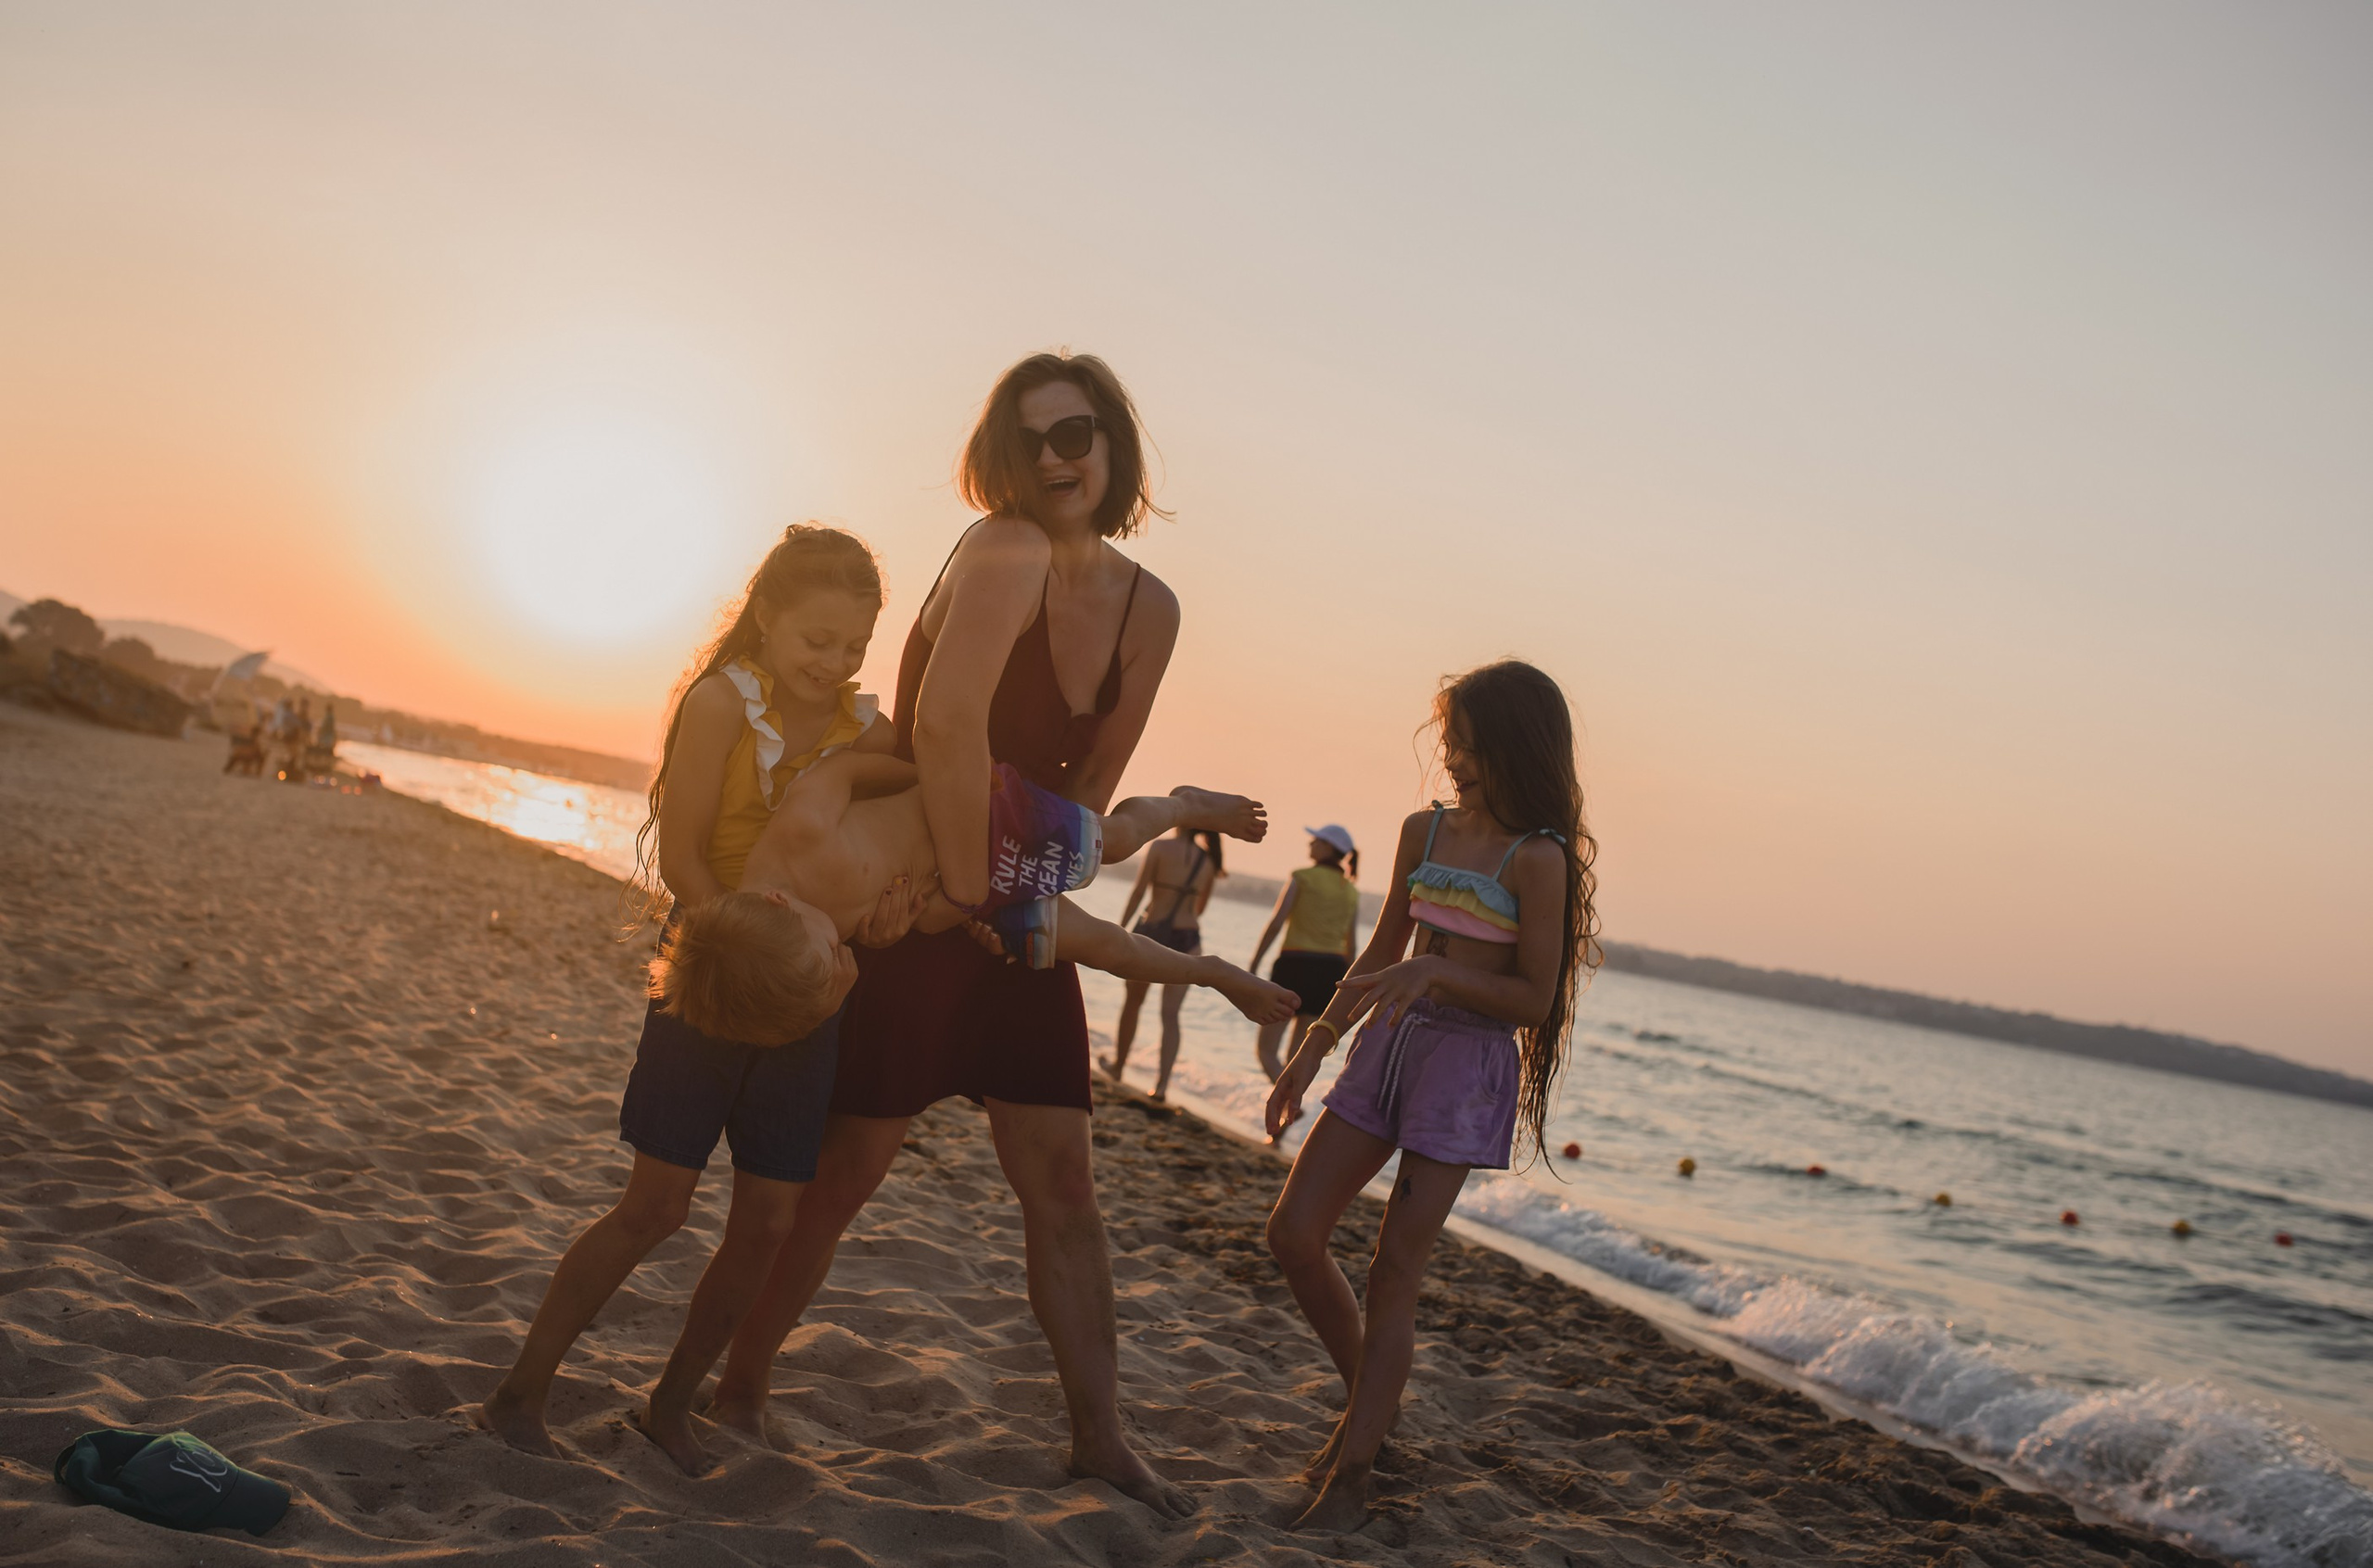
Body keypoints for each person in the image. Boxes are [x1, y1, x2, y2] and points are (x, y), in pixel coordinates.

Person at [711, 352, 1194, 1515]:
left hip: (1000, 889)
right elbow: (946, 722)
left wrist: (1019, 892)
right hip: (923, 893)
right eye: (1027, 441)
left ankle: (1101, 1437)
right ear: (1001, 459)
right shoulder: (1002, 550)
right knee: (847, 1174)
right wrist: (970, 892)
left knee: (1064, 1183)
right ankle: (738, 1385)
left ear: (1114, 444)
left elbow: (1094, 787)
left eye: (1074, 433)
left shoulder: (1151, 608)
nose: (1053, 459)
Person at [478, 525, 903, 1474]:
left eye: (853, 648)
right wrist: (755, 959)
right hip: (713, 976)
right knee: (656, 1206)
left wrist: (849, 944)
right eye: (816, 640)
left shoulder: (865, 732)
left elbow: (904, 834)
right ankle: (519, 1392)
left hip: (806, 1006)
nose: (832, 663)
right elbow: (682, 860)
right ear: (766, 617)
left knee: (767, 1220)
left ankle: (672, 1406)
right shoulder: (720, 703)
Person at [1262, 661, 1602, 1533]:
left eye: (1467, 741)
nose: (1450, 755)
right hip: (1384, 1051)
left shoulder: (1540, 861)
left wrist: (1436, 975)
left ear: (1515, 745)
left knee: (1394, 1269)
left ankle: (1356, 1471)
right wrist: (1309, 1052)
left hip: (1466, 1072)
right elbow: (1377, 954)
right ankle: (1369, 1402)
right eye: (1448, 738)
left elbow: (1532, 999)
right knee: (1294, 1234)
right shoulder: (1424, 831)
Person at [651, 756, 1294, 1048]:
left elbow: (838, 773)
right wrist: (881, 937)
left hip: (989, 822)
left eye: (831, 949)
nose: (841, 953)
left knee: (1117, 842)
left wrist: (938, 780)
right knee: (1101, 948)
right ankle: (1213, 973)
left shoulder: (804, 838)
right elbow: (903, 917)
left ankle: (1183, 802)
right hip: (965, 896)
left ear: (774, 901)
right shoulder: (789, 934)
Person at [1100, 827, 1221, 1101]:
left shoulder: (1160, 848)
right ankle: (1163, 1086)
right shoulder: (1209, 860)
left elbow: (1139, 891)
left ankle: (1119, 1067)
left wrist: (1119, 929)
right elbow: (1200, 909)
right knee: (1171, 1015)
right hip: (1189, 938)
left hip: (1153, 932)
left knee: (1133, 1002)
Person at [1248, 826, 1361, 1090]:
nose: (1310, 843)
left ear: (1327, 848)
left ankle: (1287, 1101)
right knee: (1295, 1058)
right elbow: (1351, 946)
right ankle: (1284, 1117)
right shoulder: (1351, 891)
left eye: (1316, 840)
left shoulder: (1302, 877)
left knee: (1266, 1051)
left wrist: (1254, 962)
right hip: (1330, 973)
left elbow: (1277, 923)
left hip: (1295, 966)